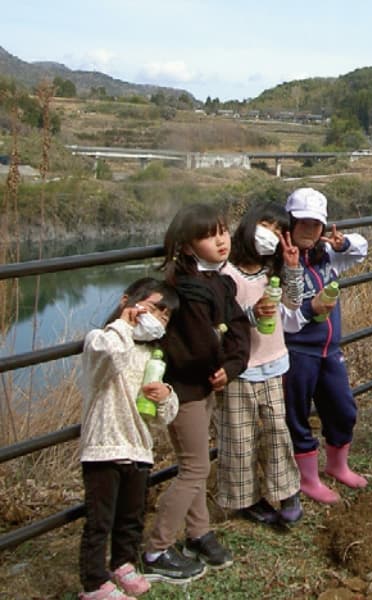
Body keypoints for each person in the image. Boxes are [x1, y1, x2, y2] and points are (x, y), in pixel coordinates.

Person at [141, 204, 250, 582]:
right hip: (182, 389)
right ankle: (156, 549)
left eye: (223, 231)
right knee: (194, 467)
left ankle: (198, 533)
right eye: (209, 235)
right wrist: (221, 364)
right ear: (187, 245)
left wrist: (232, 366)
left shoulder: (219, 282)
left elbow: (237, 328)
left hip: (205, 385)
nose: (221, 240)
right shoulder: (180, 289)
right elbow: (195, 347)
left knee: (197, 460)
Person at [78, 277, 180, 600]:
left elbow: (164, 416)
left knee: (131, 516)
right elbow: (107, 357)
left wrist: (165, 396)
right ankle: (94, 582)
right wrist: (123, 325)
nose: (159, 320)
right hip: (104, 446)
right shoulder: (102, 340)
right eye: (153, 309)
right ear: (127, 302)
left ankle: (123, 563)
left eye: (165, 317)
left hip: (138, 448)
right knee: (99, 521)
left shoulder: (154, 356)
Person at [216, 202, 304, 525]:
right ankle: (246, 499)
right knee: (238, 437)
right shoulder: (225, 273)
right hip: (239, 369)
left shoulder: (273, 272)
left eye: (280, 231)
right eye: (267, 225)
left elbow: (294, 303)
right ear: (251, 224)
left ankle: (286, 491)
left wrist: (293, 267)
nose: (272, 235)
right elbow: (222, 321)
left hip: (274, 363)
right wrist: (252, 315)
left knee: (277, 430)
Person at [282, 187, 368, 504]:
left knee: (343, 409)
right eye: (302, 223)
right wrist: (310, 310)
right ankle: (308, 479)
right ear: (289, 222)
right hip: (297, 352)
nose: (309, 230)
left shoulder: (326, 256)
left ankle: (337, 466)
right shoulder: (281, 262)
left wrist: (343, 243)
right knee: (297, 415)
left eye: (316, 224)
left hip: (330, 350)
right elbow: (282, 316)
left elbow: (361, 249)